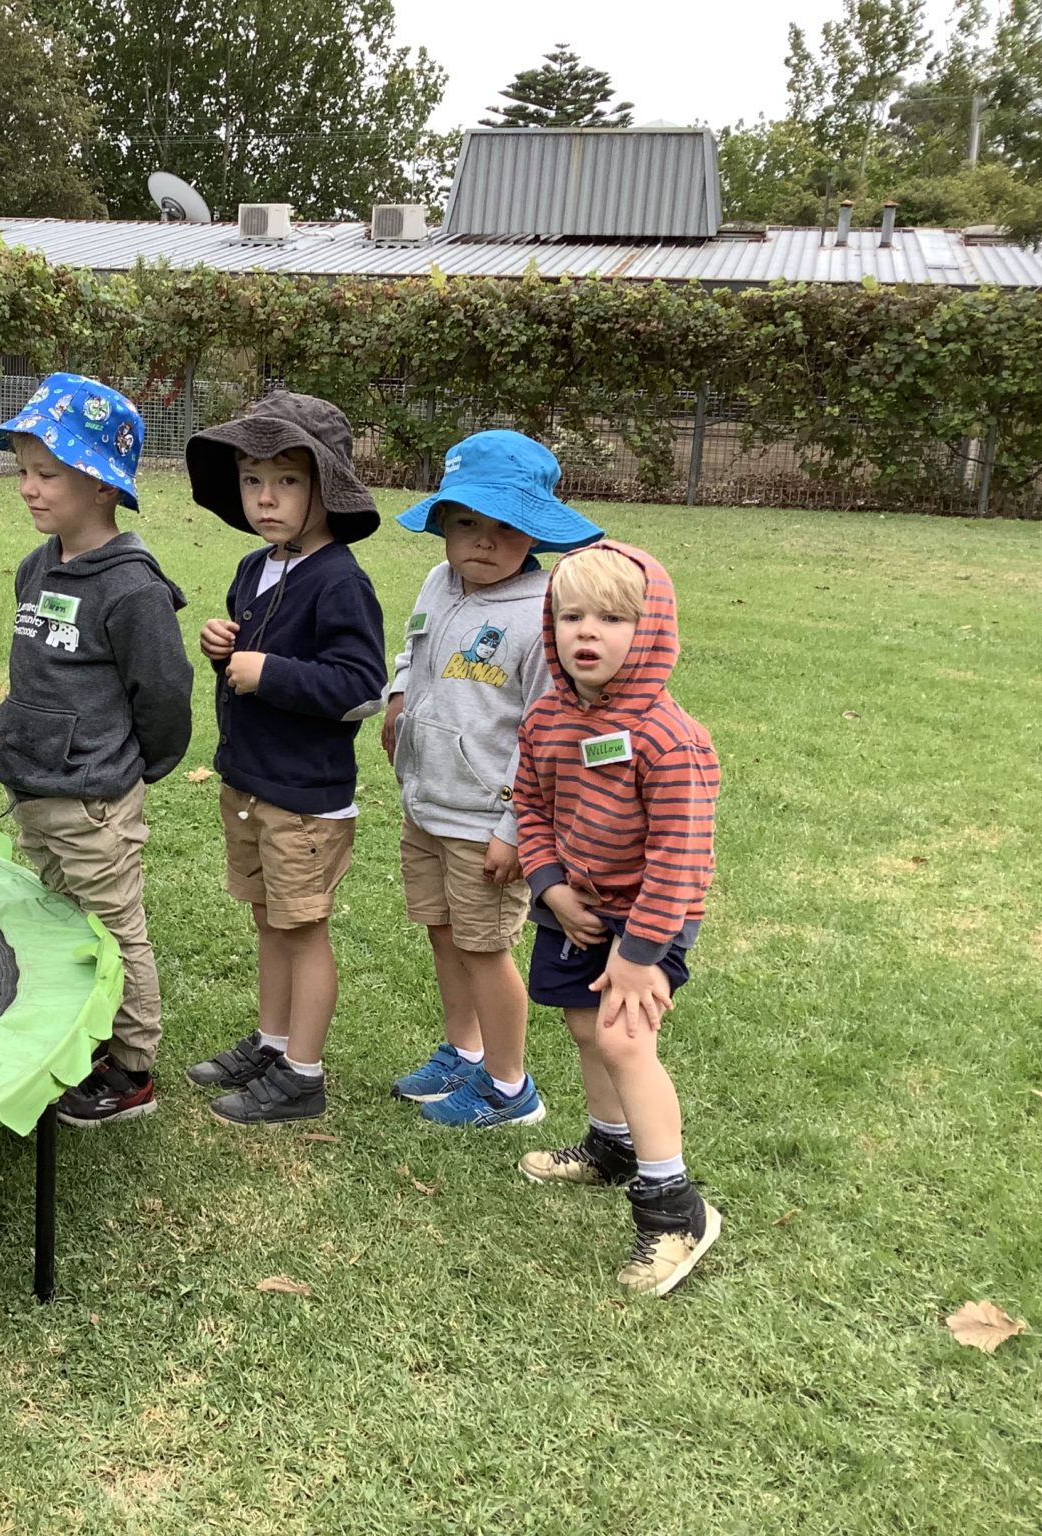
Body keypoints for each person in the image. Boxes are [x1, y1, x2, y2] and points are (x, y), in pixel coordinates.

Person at [512, 541, 723, 1296]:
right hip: (577, 906)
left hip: (650, 920)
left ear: (653, 629)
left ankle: (674, 1208)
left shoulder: (671, 738)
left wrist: (639, 955)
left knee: (622, 1037)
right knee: (580, 1024)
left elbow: (682, 858)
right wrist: (549, 885)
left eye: (611, 618)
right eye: (571, 616)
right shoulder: (547, 718)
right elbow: (530, 805)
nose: (586, 633)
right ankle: (613, 1147)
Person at [0, 375, 193, 1127]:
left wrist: (135, 769)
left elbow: (165, 695)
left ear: (103, 485)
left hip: (94, 797)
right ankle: (87, 1032)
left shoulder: (133, 590)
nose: (29, 490)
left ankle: (132, 1067)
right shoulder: (38, 567)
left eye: (48, 474)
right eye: (23, 473)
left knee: (113, 926)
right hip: (35, 785)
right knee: (62, 918)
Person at [382, 432, 604, 1129]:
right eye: (467, 523)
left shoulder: (542, 615)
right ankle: (464, 1048)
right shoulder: (438, 583)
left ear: (535, 530)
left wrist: (515, 831)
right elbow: (412, 648)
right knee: (444, 933)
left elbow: (547, 732)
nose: (483, 542)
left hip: (487, 822)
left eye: (506, 527)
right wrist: (397, 699)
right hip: (428, 802)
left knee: (485, 946)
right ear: (444, 523)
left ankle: (510, 1087)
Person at [181, 392, 388, 1125]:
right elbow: (246, 658)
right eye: (251, 479)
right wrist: (222, 650)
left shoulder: (340, 581)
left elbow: (363, 687)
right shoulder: (254, 567)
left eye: (288, 480)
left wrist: (268, 671)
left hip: (304, 794)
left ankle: (304, 1072)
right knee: (270, 918)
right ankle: (273, 1042)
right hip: (251, 780)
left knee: (303, 928)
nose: (265, 497)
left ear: (326, 487)